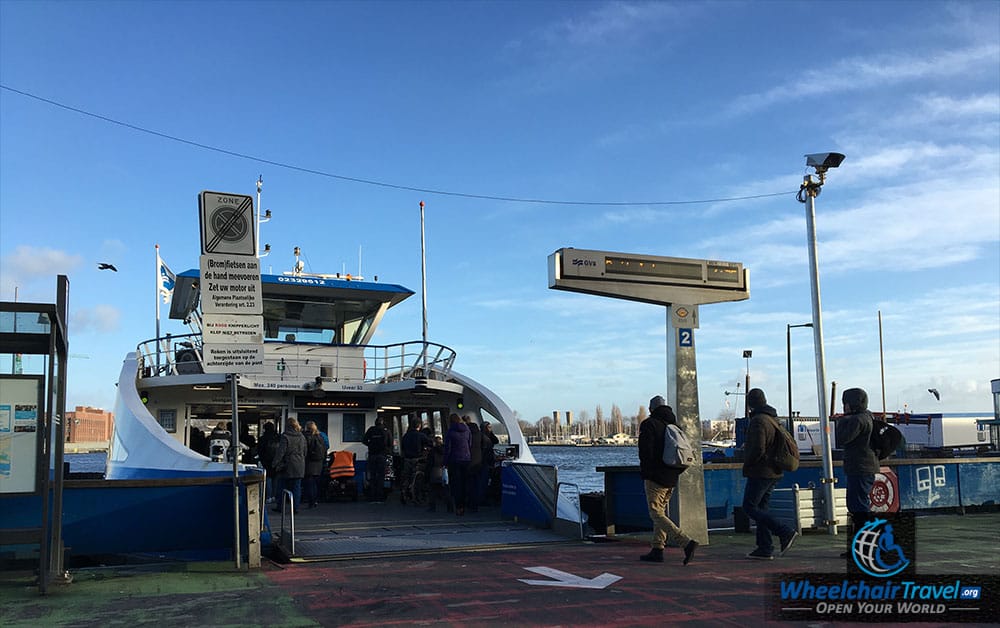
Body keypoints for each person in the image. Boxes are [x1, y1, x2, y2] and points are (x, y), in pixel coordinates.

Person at [637, 395, 699, 565]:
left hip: (655, 476)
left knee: (655, 512)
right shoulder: (674, 426)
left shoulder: (649, 424)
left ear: (651, 409)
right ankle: (657, 549)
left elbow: (645, 452)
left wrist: (647, 472)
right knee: (661, 512)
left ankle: (685, 542)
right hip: (672, 476)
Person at [742, 388, 799, 560]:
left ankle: (784, 531)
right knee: (762, 508)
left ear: (750, 404)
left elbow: (758, 448)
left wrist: (749, 461)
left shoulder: (758, 421)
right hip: (774, 470)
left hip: (761, 471)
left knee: (750, 506)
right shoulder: (773, 419)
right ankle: (765, 547)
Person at [836, 387, 880, 555]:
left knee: (858, 508)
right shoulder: (868, 416)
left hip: (859, 467)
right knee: (860, 506)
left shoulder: (857, 420)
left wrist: (842, 421)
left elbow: (842, 439)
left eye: (845, 403)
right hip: (866, 467)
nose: (844, 407)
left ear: (851, 404)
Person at [272, 417, 307, 513]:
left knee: (281, 486)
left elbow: (281, 452)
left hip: (287, 465)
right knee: (296, 487)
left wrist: (275, 463)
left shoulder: (285, 436)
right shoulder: (301, 437)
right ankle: (295, 507)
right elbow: (305, 451)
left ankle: (280, 506)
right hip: (300, 465)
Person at [443, 413, 472, 515]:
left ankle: (458, 506)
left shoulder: (450, 432)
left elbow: (448, 449)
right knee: (464, 484)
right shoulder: (467, 430)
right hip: (466, 459)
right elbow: (470, 444)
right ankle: (463, 505)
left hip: (454, 460)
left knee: (456, 484)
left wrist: (445, 463)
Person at [400, 418, 432, 505]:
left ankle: (404, 492)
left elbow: (402, 448)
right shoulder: (420, 435)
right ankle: (415, 496)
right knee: (417, 479)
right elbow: (430, 443)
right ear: (419, 425)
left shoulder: (406, 436)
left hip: (407, 459)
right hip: (417, 460)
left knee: (406, 477)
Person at [363, 417, 390, 501]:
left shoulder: (371, 430)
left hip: (372, 455)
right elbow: (390, 443)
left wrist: (370, 445)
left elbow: (364, 440)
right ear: (382, 423)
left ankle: (372, 495)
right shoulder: (386, 431)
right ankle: (380, 495)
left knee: (373, 476)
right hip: (382, 456)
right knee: (381, 476)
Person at [303, 420, 327, 508]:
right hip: (319, 463)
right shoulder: (320, 436)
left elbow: (306, 450)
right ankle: (315, 500)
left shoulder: (307, 436)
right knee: (316, 483)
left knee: (309, 483)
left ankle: (311, 501)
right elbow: (325, 448)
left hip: (309, 462)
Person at [424, 435, 449, 512]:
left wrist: (426, 475)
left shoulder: (432, 452)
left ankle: (432, 507)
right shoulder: (446, 450)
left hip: (434, 472)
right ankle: (450, 507)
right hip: (444, 471)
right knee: (446, 490)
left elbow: (429, 464)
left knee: (432, 490)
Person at [257, 421, 280, 502]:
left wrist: (261, 459)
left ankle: (268, 496)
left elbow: (259, 450)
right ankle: (275, 496)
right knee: (276, 478)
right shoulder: (278, 437)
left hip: (266, 460)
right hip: (277, 460)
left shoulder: (263, 438)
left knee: (268, 478)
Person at [464, 416, 483, 512]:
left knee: (468, 483)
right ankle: (476, 503)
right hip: (478, 461)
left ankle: (469, 503)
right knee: (477, 483)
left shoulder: (466, 433)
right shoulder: (479, 434)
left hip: (468, 460)